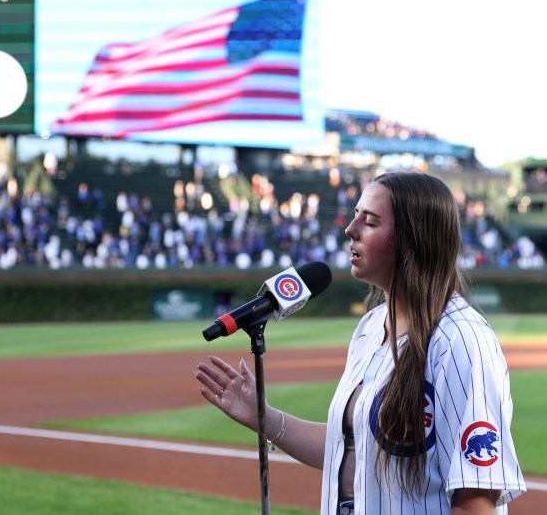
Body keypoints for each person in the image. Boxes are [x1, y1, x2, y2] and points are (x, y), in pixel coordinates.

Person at [195, 171, 526, 515]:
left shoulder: (461, 339)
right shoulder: (370, 327)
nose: (349, 229)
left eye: (369, 221)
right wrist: (264, 416)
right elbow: (353, 447)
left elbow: (476, 501)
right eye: (355, 216)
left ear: (411, 241)